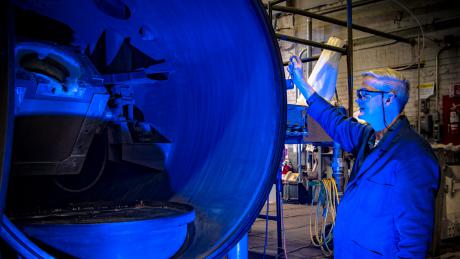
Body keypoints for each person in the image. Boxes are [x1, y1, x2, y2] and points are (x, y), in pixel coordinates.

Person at [288, 56, 439, 258]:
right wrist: (302, 83)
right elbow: (334, 121)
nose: (358, 99)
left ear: (389, 98)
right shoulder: (368, 137)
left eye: (365, 94)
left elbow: (415, 235)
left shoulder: (413, 155)